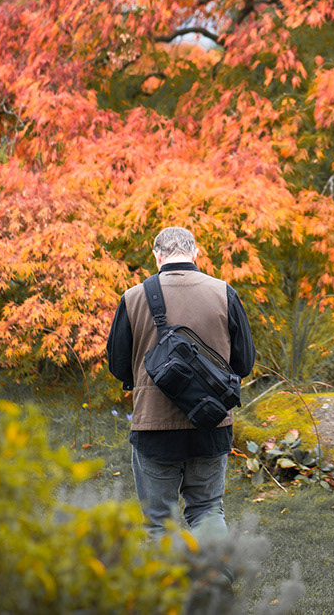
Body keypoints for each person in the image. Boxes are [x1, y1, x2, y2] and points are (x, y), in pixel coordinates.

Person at [107, 226, 255, 541]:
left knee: (159, 521)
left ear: (157, 255)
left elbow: (118, 366)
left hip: (153, 425)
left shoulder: (133, 297)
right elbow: (245, 362)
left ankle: (166, 587)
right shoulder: (223, 292)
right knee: (208, 509)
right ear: (195, 253)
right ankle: (215, 582)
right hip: (211, 422)